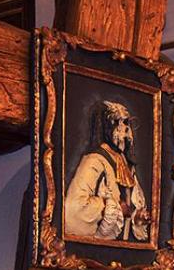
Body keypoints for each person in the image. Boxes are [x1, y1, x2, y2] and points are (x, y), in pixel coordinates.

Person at [62, 99, 151, 243]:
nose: (124, 128)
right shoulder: (95, 160)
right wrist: (114, 208)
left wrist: (138, 216)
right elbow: (73, 209)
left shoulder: (125, 162)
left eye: (125, 122)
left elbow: (130, 207)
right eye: (117, 122)